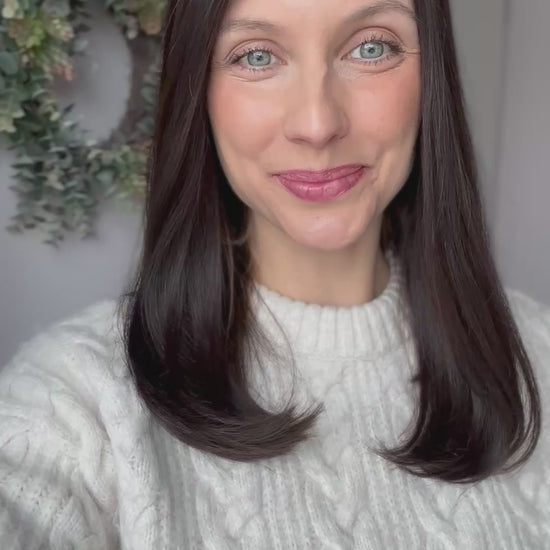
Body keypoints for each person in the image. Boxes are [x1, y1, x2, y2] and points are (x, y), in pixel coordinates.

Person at [1, 0, 549, 548]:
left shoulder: (538, 351)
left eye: (371, 47)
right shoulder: (78, 400)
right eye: (256, 56)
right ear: (198, 89)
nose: (318, 124)